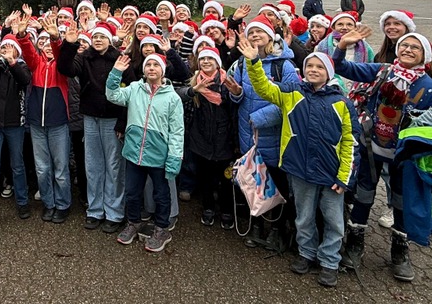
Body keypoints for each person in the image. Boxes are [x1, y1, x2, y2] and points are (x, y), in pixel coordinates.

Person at [238, 41, 359, 288]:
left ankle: (329, 262)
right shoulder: (293, 94)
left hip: (331, 174)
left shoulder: (341, 103)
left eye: (320, 67)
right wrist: (253, 62)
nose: (314, 70)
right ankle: (306, 253)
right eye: (310, 66)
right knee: (303, 217)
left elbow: (351, 142)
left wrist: (344, 177)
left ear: (329, 72)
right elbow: (264, 88)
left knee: (334, 221)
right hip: (300, 170)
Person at [335, 26, 432, 282]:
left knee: (400, 200)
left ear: (425, 55)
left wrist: (422, 120)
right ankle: (354, 245)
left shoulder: (430, 88)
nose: (408, 50)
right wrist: (342, 47)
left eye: (415, 47)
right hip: (370, 149)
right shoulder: (382, 72)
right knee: (363, 196)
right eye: (404, 46)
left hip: (404, 157)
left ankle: (400, 251)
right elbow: (341, 68)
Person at [224, 14, 300, 251]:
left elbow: (292, 100)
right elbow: (236, 95)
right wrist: (235, 93)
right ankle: (256, 224)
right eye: (251, 33)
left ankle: (276, 230)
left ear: (271, 36)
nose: (255, 36)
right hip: (248, 133)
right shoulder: (241, 64)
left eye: (260, 32)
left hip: (274, 135)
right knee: (253, 180)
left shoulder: (284, 65)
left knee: (276, 182)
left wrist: (260, 118)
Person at [59, 19, 136, 233]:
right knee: (93, 165)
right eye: (95, 37)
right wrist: (69, 44)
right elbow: (65, 68)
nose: (98, 40)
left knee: (114, 166)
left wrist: (123, 120)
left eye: (102, 36)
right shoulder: (84, 58)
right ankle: (95, 210)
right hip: (90, 118)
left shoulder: (120, 59)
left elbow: (130, 92)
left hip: (113, 119)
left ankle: (114, 212)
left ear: (110, 40)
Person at [105, 52, 184, 253]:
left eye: (155, 65)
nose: (151, 68)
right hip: (133, 153)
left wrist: (175, 158)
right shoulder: (134, 89)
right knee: (132, 192)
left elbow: (177, 131)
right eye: (148, 65)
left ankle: (162, 228)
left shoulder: (172, 98)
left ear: (162, 70)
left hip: (159, 155)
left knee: (161, 194)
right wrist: (116, 73)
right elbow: (112, 95)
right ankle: (133, 222)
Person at [15, 7, 73, 224]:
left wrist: (57, 38)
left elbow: (63, 54)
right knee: (42, 168)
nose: (47, 46)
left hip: (58, 123)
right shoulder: (36, 63)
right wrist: (22, 36)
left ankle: (63, 203)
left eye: (50, 44)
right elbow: (28, 53)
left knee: (60, 168)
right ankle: (48, 203)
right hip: (37, 124)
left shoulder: (61, 66)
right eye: (44, 43)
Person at [179, 47, 238, 230]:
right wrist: (193, 90)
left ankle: (227, 210)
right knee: (205, 178)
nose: (205, 62)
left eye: (209, 59)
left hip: (224, 139)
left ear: (217, 62)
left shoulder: (226, 81)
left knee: (226, 179)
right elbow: (179, 95)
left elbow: (234, 110)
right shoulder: (195, 80)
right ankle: (208, 208)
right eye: (202, 59)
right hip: (201, 138)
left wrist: (235, 94)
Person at [0, 34, 33, 234]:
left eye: (11, 47)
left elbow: (25, 80)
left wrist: (12, 62)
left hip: (14, 124)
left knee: (17, 165)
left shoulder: (21, 67)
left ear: (17, 51)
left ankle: (22, 201)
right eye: (4, 47)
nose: (6, 50)